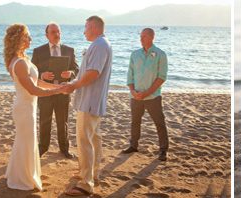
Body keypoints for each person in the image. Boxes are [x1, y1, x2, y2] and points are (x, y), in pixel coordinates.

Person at [2, 23, 67, 191]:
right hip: (24, 108)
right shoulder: (19, 63)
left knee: (25, 142)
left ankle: (21, 173)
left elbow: (37, 81)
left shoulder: (23, 59)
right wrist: (58, 92)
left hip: (27, 106)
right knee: (26, 142)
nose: (30, 39)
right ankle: (23, 178)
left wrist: (57, 87)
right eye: (27, 36)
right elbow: (33, 89)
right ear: (19, 39)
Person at [62, 15, 113, 196]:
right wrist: (71, 83)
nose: (84, 31)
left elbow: (93, 73)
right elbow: (86, 72)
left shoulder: (99, 45)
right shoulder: (101, 44)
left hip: (89, 102)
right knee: (94, 139)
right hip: (93, 101)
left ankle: (86, 183)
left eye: (86, 27)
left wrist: (74, 85)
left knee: (84, 141)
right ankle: (93, 173)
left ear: (95, 28)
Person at [31, 22, 79, 159]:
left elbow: (76, 69)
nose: (56, 34)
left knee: (62, 121)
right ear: (47, 35)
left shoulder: (69, 50)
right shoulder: (38, 51)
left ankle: (64, 149)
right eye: (53, 32)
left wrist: (70, 73)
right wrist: (42, 75)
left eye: (58, 31)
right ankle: (42, 148)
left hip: (63, 90)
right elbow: (32, 72)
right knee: (44, 121)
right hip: (45, 91)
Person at [121, 28, 170, 161]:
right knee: (135, 122)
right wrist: (132, 91)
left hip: (153, 97)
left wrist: (147, 93)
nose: (141, 39)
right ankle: (133, 145)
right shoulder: (135, 54)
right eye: (140, 36)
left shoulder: (160, 54)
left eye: (144, 36)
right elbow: (130, 74)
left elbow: (161, 77)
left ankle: (163, 150)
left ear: (151, 37)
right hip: (135, 96)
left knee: (159, 122)